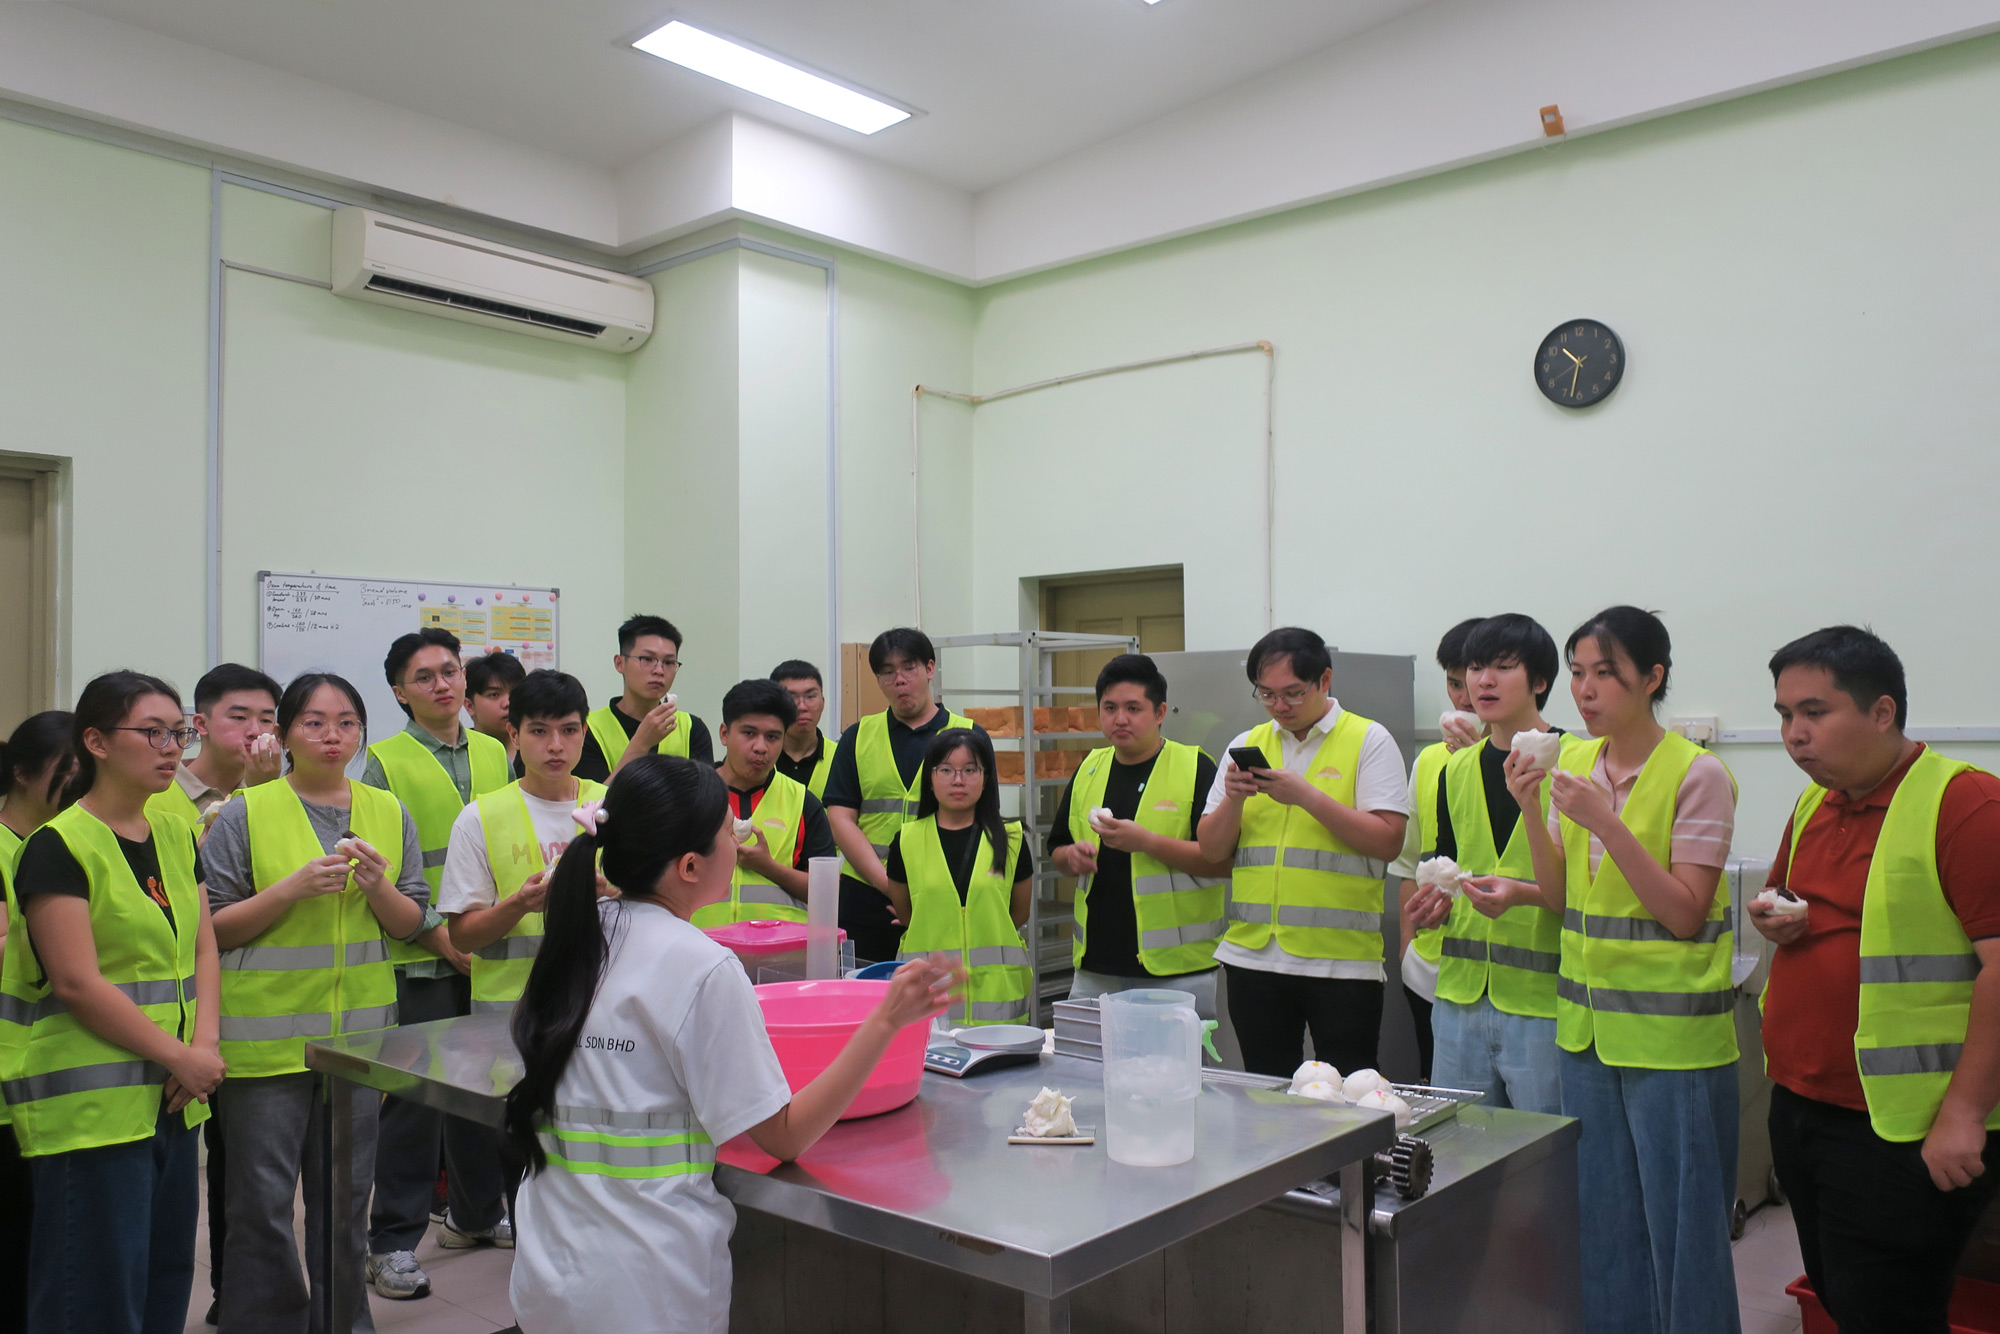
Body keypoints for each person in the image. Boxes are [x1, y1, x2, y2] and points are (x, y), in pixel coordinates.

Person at [503, 755, 959, 1333]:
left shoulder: (581, 930)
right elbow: (784, 1136)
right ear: (691, 866)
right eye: (727, 830)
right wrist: (885, 1020)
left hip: (550, 1275)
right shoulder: (701, 965)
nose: (738, 840)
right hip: (647, 1285)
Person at [1464, 606, 1738, 1334]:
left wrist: (1606, 824)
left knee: (1684, 1235)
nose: (1586, 691)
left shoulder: (1698, 773)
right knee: (1605, 1225)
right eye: (1579, 674)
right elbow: (1558, 898)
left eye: (1605, 675)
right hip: (1584, 1032)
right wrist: (1530, 808)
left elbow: (1683, 912)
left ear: (1651, 679)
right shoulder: (1576, 761)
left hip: (1671, 1044)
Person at [1751, 626, 2000, 1334]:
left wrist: (1962, 1115)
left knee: (1889, 1311)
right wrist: (1780, 923)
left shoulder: (1966, 805)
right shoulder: (1813, 803)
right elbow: (1795, 905)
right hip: (1804, 1102)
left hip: (1905, 1123)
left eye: (1814, 712)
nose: (1794, 734)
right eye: (1782, 715)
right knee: (1841, 1295)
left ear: (1882, 712)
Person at [203, 673, 430, 1332]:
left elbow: (410, 921)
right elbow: (212, 928)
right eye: (314, 722)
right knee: (263, 1207)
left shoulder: (387, 810)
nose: (332, 736)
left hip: (358, 1045)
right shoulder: (245, 811)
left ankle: (343, 1324)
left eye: (347, 723)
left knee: (345, 1201)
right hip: (265, 1044)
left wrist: (377, 886)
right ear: (287, 734)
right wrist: (291, 889)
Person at [0, 674, 223, 1334]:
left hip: (174, 1097)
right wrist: (183, 1056)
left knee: (162, 1277)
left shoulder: (178, 835)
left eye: (178, 733)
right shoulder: (58, 845)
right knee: (91, 1292)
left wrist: (203, 1050)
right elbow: (76, 983)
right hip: (93, 1108)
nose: (171, 748)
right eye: (151, 733)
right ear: (94, 741)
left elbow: (202, 951)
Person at [361, 627, 514, 1296]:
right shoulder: (382, 763)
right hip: (417, 957)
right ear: (400, 692)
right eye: (424, 677)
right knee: (414, 1106)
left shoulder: (492, 750)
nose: (443, 685)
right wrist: (441, 940)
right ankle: (392, 1242)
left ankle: (476, 1216)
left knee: (486, 1091)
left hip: (485, 951)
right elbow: (377, 876)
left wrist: (478, 940)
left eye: (450, 671)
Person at [1197, 627, 1408, 1078]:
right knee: (1266, 1089)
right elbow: (1212, 849)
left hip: (1341, 962)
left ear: (1324, 680)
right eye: (1267, 694)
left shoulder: (1369, 740)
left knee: (1350, 1091)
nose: (1280, 706)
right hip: (1252, 958)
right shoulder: (1246, 743)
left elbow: (1389, 840)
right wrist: (1234, 798)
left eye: (1293, 693)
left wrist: (1307, 796)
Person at [1409, 614, 1576, 1112]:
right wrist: (1432, 906)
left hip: (1545, 1002)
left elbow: (1592, 888)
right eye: (1475, 668)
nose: (1483, 681)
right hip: (1458, 997)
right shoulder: (1454, 766)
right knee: (1460, 1156)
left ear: (1540, 681)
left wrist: (1520, 893)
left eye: (1503, 667)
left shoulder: (1580, 761)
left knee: (1545, 1161)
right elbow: (1449, 865)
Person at [1047, 654, 1229, 1021]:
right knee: (1086, 1072)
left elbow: (1222, 861)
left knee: (1172, 1075)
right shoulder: (1090, 767)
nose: (1120, 719)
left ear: (1160, 712)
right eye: (1110, 708)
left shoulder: (1195, 767)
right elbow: (1057, 848)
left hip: (1176, 972)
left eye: (1134, 708)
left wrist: (1146, 842)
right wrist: (1072, 857)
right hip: (1095, 966)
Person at [441, 670, 604, 1012]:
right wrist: (519, 904)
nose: (556, 745)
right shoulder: (479, 817)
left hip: (600, 1003)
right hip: (508, 1013)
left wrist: (611, 892)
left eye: (570, 730)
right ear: (514, 733)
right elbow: (461, 936)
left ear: (584, 732)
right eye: (539, 731)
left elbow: (656, 904)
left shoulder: (613, 806)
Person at [820, 628, 980, 965]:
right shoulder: (858, 736)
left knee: (936, 1003)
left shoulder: (968, 735)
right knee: (866, 1000)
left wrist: (920, 890)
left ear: (930, 669)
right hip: (866, 898)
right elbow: (840, 818)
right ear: (878, 679)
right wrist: (892, 887)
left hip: (941, 894)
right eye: (888, 672)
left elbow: (979, 821)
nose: (900, 680)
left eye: (909, 668)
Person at [0, 710, 75, 1334]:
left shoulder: (73, 842)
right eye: (68, 768)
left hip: (54, 1077)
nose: (80, 780)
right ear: (23, 773)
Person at [885, 729, 1035, 1027]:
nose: (958, 780)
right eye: (946, 770)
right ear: (930, 777)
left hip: (997, 1004)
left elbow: (1017, 914)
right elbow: (907, 914)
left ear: (986, 777)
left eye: (970, 770)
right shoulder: (907, 841)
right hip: (930, 1002)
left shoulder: (1012, 839)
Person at [1389, 618, 1484, 1083]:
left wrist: (1483, 756)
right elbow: (1409, 862)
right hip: (1429, 964)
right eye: (1452, 683)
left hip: (1500, 974)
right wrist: (1407, 946)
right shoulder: (1428, 760)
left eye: (1474, 681)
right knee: (1438, 1091)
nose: (1464, 698)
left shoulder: (1538, 757)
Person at [692, 680, 837, 928]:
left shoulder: (802, 802)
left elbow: (827, 893)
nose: (761, 747)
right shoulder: (690, 794)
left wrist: (767, 866)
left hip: (779, 955)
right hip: (701, 949)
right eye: (749, 733)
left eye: (772, 737)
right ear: (724, 733)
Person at [146, 663, 283, 839]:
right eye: (239, 717)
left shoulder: (272, 791)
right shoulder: (154, 793)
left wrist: (264, 791)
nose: (255, 731)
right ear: (202, 724)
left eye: (266, 720)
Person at [577, 615, 713, 782]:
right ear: (620, 663)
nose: (659, 670)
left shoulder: (692, 729)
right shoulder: (586, 729)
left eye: (669, 662)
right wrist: (641, 744)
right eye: (647, 659)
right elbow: (593, 805)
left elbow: (707, 800)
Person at [771, 659, 840, 799]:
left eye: (810, 696)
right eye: (791, 698)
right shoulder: (759, 757)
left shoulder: (842, 757)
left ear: (823, 702)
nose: (802, 706)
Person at [465, 651, 526, 771]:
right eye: (494, 695)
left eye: (514, 693)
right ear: (470, 706)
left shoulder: (535, 751)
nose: (508, 703)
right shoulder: (459, 754)